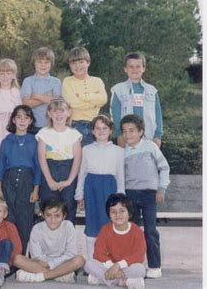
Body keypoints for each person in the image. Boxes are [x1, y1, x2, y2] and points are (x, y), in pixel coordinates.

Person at [121, 114, 170, 279]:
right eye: (125, 131)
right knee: (133, 231)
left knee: (150, 231)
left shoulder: (150, 146)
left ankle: (155, 266)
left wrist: (161, 189)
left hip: (150, 195)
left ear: (141, 132)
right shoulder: (123, 151)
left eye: (132, 131)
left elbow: (164, 167)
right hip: (130, 195)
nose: (128, 135)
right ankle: (135, 265)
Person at [75, 115, 125, 260]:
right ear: (92, 131)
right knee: (92, 222)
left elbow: (120, 175)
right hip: (92, 187)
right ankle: (92, 260)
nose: (101, 131)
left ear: (110, 131)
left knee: (109, 221)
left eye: (105, 128)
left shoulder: (118, 151)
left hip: (110, 187)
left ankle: (110, 258)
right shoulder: (87, 149)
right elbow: (82, 172)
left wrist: (121, 196)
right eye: (97, 128)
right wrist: (79, 194)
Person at [0, 105, 41, 253]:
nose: (22, 121)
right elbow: (0, 165)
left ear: (30, 121)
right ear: (13, 120)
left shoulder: (35, 141)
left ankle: (23, 256)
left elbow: (38, 166)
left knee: (25, 220)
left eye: (26, 118)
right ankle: (8, 256)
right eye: (19, 117)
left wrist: (35, 190)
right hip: (9, 181)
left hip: (27, 181)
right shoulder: (7, 141)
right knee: (9, 220)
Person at [14, 197, 85, 283]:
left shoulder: (68, 226)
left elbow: (70, 254)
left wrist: (50, 264)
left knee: (80, 260)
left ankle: (41, 276)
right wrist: (46, 264)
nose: (52, 220)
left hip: (62, 264)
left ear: (64, 216)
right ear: (43, 214)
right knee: (17, 259)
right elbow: (36, 256)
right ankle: (58, 276)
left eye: (57, 216)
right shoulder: (36, 228)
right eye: (48, 215)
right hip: (41, 264)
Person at [84, 193, 146, 288]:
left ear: (129, 213)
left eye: (122, 211)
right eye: (113, 212)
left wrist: (118, 266)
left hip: (127, 266)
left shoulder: (137, 231)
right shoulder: (105, 230)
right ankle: (123, 282)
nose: (118, 215)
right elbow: (98, 253)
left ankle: (106, 279)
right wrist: (111, 266)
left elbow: (139, 255)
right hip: (108, 266)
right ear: (109, 214)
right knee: (89, 264)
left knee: (140, 269)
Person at [36, 97, 81, 224]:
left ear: (69, 112)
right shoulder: (43, 133)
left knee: (69, 207)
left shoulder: (74, 134)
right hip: (49, 172)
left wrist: (69, 181)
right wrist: (49, 180)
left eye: (62, 110)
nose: (58, 114)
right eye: (55, 111)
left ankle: (68, 241)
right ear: (49, 114)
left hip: (68, 171)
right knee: (48, 207)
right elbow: (42, 158)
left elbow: (77, 159)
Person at [110, 51, 164, 148]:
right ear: (125, 69)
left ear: (144, 68)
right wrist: (119, 135)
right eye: (131, 66)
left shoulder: (152, 90)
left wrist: (158, 135)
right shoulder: (118, 90)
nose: (134, 69)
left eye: (138, 66)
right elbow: (115, 115)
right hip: (127, 138)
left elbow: (158, 114)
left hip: (149, 137)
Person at [62, 46, 107, 147]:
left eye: (81, 62)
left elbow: (103, 99)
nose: (77, 66)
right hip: (75, 124)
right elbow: (72, 103)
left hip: (94, 125)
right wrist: (93, 103)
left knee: (92, 158)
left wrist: (82, 96)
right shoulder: (67, 81)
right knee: (77, 157)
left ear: (88, 62)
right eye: (73, 63)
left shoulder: (97, 81)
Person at [0, 58, 22, 163]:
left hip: (10, 127)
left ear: (13, 75)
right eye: (2, 73)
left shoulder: (16, 92)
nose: (5, 76)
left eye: (8, 73)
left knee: (10, 156)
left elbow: (19, 111)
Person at [21, 47, 62, 133]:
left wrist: (37, 96)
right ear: (34, 63)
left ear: (51, 64)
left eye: (47, 62)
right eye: (39, 62)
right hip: (31, 126)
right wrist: (47, 97)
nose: (43, 65)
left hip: (51, 125)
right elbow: (26, 104)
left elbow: (57, 103)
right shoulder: (28, 81)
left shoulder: (56, 82)